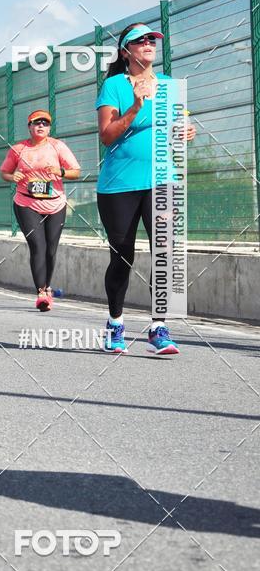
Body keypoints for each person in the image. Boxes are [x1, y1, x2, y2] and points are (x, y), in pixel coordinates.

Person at [96, 22, 196, 354]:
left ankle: (159, 327)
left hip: (162, 181)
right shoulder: (113, 86)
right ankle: (115, 324)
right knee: (122, 257)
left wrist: (185, 131)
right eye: (140, 40)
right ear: (126, 51)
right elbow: (107, 135)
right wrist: (137, 106)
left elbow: (179, 124)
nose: (149, 43)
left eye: (152, 39)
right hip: (119, 185)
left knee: (165, 255)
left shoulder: (169, 86)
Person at [0, 110, 81, 310]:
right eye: (36, 123)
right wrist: (13, 177)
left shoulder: (58, 146)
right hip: (27, 203)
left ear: (49, 127)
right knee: (38, 246)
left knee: (51, 250)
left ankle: (48, 286)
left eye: (45, 123)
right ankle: (41, 293)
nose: (41, 126)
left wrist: (60, 171)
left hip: (55, 204)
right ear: (29, 127)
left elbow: (76, 172)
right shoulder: (19, 149)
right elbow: (4, 172)